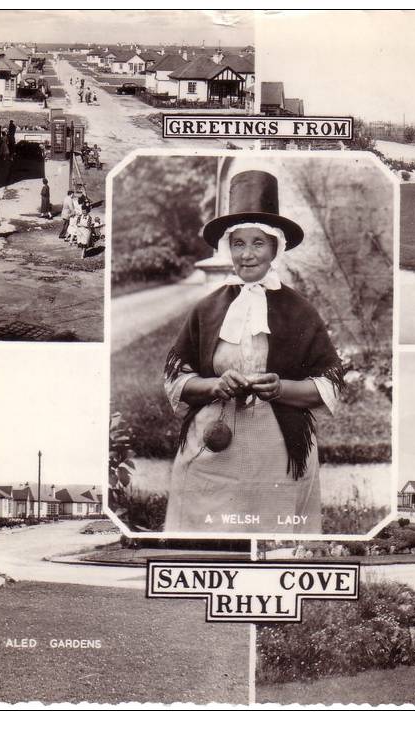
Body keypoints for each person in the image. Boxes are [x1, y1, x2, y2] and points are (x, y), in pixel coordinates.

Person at [162, 170, 344, 534]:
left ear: (275, 247)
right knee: (206, 532)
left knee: (273, 533)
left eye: (258, 243)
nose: (247, 255)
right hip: (213, 444)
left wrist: (282, 388)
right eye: (238, 244)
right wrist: (214, 386)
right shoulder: (207, 308)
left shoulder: (299, 309)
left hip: (277, 446)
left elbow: (330, 383)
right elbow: (176, 378)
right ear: (227, 247)